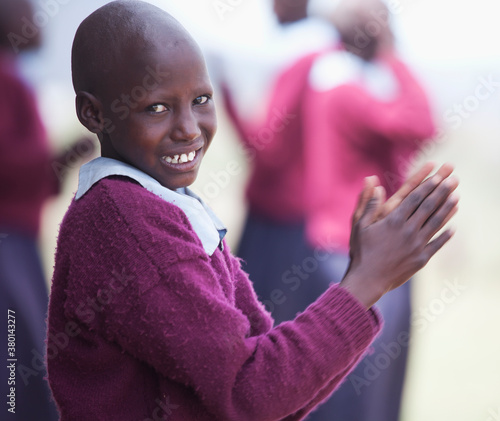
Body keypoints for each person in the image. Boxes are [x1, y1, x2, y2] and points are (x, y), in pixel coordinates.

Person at [46, 1, 458, 420]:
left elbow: (269, 387)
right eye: (156, 107)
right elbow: (249, 392)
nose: (189, 128)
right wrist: (365, 281)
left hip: (325, 239)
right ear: (92, 113)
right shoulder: (127, 220)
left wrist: (367, 278)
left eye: (201, 100)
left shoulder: (168, 205)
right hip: (308, 237)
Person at [302, 0, 438, 419]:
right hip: (360, 252)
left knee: (359, 385)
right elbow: (424, 122)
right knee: (363, 394)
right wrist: (390, 54)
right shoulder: (347, 94)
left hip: (345, 247)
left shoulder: (329, 85)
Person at [218, 0, 338, 326]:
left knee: (256, 327)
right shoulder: (325, 58)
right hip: (299, 216)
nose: (270, 10)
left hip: (279, 220)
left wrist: (226, 100)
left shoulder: (303, 64)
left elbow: (267, 151)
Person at [0, 1, 93, 419]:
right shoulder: (5, 80)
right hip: (7, 242)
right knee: (16, 354)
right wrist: (55, 159)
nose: (36, 23)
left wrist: (61, 161)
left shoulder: (16, 77)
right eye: (26, 14)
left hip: (20, 236)